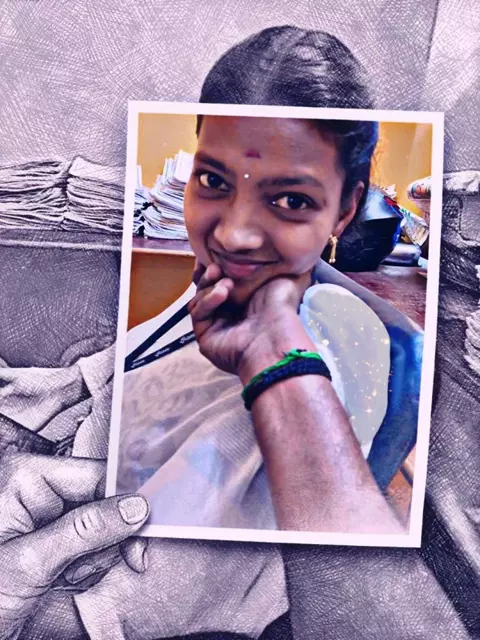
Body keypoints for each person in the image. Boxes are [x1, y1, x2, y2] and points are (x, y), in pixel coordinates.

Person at [0, 26, 437, 640]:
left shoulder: (321, 349)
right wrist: (57, 393)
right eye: (214, 181)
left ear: (345, 207)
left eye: (290, 199)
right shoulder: (238, 278)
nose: (233, 231)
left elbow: (139, 598)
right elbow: (139, 355)